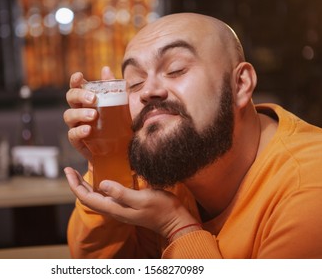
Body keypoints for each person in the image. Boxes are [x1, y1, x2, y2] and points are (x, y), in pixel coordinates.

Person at [63, 13, 322, 258]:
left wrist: (176, 225)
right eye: (134, 82)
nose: (148, 91)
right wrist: (113, 158)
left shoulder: (309, 189)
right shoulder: (171, 161)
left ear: (240, 84)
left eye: (175, 69)